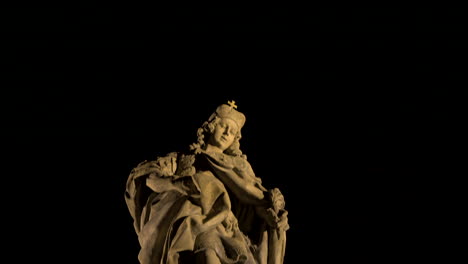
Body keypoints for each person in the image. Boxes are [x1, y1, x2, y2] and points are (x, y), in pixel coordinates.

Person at [125, 101, 289, 264]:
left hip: (230, 230)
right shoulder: (187, 158)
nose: (226, 133)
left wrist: (272, 211)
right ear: (211, 126)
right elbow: (149, 177)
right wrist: (178, 184)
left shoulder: (239, 166)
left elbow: (255, 198)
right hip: (198, 226)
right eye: (223, 126)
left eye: (232, 132)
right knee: (207, 252)